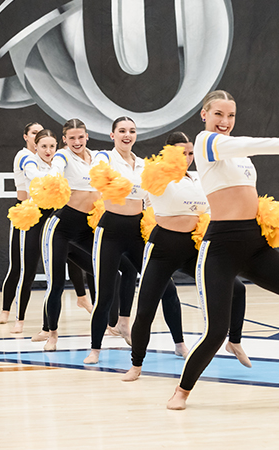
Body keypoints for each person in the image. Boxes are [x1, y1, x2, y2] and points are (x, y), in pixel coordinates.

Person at [167, 90, 279, 410]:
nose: (225, 121)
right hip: (220, 247)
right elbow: (248, 143)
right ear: (204, 115)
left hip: (254, 245)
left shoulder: (239, 156)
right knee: (216, 331)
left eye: (230, 115)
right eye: (218, 114)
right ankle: (182, 391)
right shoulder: (205, 142)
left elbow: (243, 157)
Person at [122, 131, 249, 381]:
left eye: (191, 153)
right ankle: (136, 365)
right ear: (168, 154)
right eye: (182, 153)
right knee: (146, 308)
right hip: (162, 250)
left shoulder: (200, 179)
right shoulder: (156, 176)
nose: (188, 158)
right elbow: (131, 190)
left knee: (238, 288)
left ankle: (234, 341)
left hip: (194, 249)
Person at [85, 117, 185, 364]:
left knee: (168, 288)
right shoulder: (104, 158)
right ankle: (95, 349)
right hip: (110, 230)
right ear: (112, 135)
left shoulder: (142, 164)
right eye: (121, 131)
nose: (127, 135)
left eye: (131, 131)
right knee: (106, 294)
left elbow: (151, 199)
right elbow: (97, 175)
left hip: (137, 231)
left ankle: (180, 343)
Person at [34, 119, 103, 351]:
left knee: (107, 272)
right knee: (56, 284)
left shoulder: (97, 157)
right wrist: (53, 175)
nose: (76, 142)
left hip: (86, 229)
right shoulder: (63, 156)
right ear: (64, 139)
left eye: (80, 137)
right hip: (61, 229)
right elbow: (56, 167)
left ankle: (113, 323)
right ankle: (52, 334)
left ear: (87, 136)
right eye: (71, 138)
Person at [0, 122, 42, 328]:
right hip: (25, 211)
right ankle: (7, 310)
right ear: (26, 136)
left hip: (44, 211)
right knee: (18, 266)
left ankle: (81, 296)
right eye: (33, 133)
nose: (37, 136)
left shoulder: (46, 157)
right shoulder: (24, 155)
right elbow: (33, 174)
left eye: (40, 133)